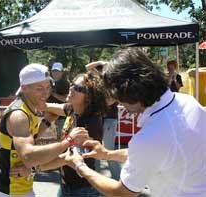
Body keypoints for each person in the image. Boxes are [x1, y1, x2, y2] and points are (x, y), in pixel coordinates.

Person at [60, 48, 206, 197]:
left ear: (128, 92)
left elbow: (122, 192)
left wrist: (80, 166)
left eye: (116, 96)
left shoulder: (149, 137)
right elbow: (152, 154)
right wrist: (107, 154)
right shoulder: (188, 101)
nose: (117, 101)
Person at [0, 63, 88, 197]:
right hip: (11, 190)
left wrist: (47, 121)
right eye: (39, 88)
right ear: (24, 88)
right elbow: (29, 157)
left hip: (22, 186)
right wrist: (68, 141)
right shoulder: (19, 115)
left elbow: (31, 138)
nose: (46, 93)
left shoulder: (30, 107)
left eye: (48, 87)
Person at [43, 71, 106, 197]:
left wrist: (34, 168)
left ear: (88, 97)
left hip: (82, 190)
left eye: (77, 88)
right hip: (67, 185)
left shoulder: (89, 123)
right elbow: (54, 107)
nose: (71, 88)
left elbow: (68, 158)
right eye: (72, 84)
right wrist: (36, 104)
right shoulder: (72, 109)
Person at [86, 61, 120, 180]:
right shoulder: (100, 83)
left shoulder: (114, 84)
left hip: (110, 119)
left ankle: (118, 179)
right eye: (100, 71)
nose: (101, 73)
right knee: (96, 148)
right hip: (100, 119)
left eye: (104, 71)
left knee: (109, 150)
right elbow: (87, 68)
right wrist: (100, 62)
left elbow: (110, 101)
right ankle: (96, 178)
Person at [48, 62, 70, 138]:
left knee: (61, 138)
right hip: (48, 116)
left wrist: (53, 93)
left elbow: (66, 99)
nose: (55, 73)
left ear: (61, 72)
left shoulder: (65, 84)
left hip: (61, 117)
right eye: (54, 71)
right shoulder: (48, 82)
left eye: (57, 71)